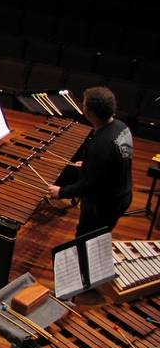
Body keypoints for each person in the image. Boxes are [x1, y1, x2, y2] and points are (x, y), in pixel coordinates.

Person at [48, 87, 133, 237]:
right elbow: (114, 161)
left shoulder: (100, 147)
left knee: (86, 239)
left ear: (91, 113)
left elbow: (88, 187)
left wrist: (61, 192)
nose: (83, 107)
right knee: (98, 237)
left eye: (85, 104)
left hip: (104, 204)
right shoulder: (121, 127)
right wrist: (90, 166)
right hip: (121, 194)